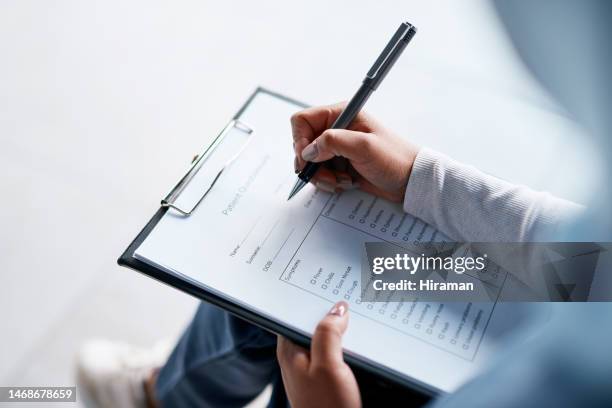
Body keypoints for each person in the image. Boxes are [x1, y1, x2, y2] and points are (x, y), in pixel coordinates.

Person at [78, 1, 612, 407]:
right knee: (316, 267)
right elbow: (595, 254)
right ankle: (169, 392)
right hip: (566, 292)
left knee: (320, 336)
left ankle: (165, 392)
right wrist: (417, 177)